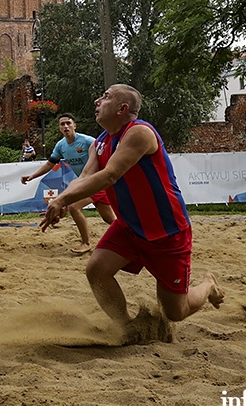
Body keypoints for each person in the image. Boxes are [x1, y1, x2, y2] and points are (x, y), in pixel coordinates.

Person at [40, 84, 224, 326]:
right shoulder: (101, 142)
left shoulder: (139, 133)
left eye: (105, 97)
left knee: (175, 312)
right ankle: (126, 328)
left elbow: (110, 176)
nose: (97, 101)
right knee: (96, 270)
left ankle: (208, 284)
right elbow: (85, 177)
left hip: (166, 231)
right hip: (129, 227)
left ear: (122, 108)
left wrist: (63, 199)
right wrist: (63, 200)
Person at [21, 113, 116, 254]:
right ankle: (133, 238)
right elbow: (49, 164)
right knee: (110, 220)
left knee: (73, 207)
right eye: (62, 124)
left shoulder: (87, 141)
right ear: (59, 128)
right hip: (85, 183)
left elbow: (107, 152)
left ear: (74, 126)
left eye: (68, 123)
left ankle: (86, 243)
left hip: (97, 182)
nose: (66, 126)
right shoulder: (61, 145)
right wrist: (32, 176)